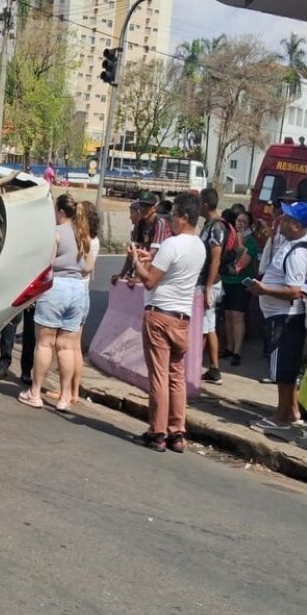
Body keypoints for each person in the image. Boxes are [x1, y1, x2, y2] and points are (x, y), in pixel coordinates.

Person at [129, 191, 205, 453]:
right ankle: (177, 432)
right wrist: (152, 260)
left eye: (174, 215)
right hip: (182, 318)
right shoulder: (199, 246)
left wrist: (138, 262)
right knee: (176, 376)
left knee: (159, 377)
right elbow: (172, 270)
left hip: (160, 314)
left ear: (184, 217)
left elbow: (149, 280)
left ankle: (157, 432)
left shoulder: (173, 244)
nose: (170, 220)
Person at [18, 193, 90, 412]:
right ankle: (65, 397)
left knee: (45, 343)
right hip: (77, 289)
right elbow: (87, 267)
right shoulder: (82, 234)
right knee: (67, 346)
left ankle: (35, 392)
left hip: (56, 287)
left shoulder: (55, 234)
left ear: (59, 211)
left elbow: (46, 265)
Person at [246, 201, 307, 439]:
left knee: (284, 370)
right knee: (285, 369)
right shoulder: (290, 243)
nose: (281, 219)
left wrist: (265, 291)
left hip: (287, 318)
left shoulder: (299, 253)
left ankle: (281, 419)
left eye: (287, 218)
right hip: (279, 316)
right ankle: (290, 411)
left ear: (297, 225)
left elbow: (294, 291)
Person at [48, 201, 101, 405]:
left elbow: (87, 267)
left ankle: (70, 391)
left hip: (77, 291)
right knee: (74, 347)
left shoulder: (84, 239)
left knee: (69, 347)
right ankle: (72, 391)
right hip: (81, 293)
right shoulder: (89, 239)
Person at [219, 210, 260, 367]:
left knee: (237, 316)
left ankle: (237, 351)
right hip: (227, 281)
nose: (240, 224)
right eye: (238, 221)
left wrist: (240, 246)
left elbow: (240, 265)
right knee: (228, 315)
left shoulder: (250, 243)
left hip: (241, 283)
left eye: (244, 221)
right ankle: (229, 347)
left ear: (249, 225)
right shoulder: (230, 238)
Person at [197, 187, 226, 384]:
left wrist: (207, 288)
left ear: (205, 205)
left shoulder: (216, 227)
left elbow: (215, 260)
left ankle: (202, 367)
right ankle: (213, 369)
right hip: (207, 282)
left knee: (205, 327)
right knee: (208, 325)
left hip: (210, 283)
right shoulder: (209, 224)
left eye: (200, 202)